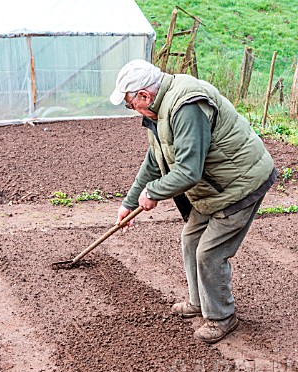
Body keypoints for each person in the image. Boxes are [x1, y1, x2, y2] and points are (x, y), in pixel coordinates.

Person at [110, 59, 277, 344]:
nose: (132, 110)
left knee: (209, 253)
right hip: (214, 188)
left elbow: (188, 171)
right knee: (190, 239)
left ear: (144, 96)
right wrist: (130, 202)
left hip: (239, 184)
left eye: (129, 104)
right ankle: (199, 302)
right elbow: (156, 159)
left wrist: (153, 193)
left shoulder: (185, 107)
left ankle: (222, 316)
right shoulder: (160, 110)